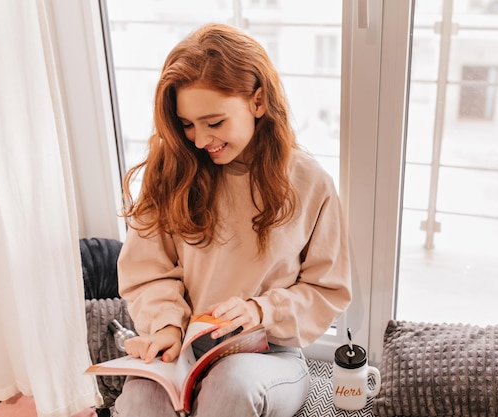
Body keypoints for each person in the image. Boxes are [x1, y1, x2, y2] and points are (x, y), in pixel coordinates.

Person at [114, 23, 352, 417]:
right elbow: (148, 272)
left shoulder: (310, 183)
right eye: (187, 124)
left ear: (258, 101)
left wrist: (262, 310)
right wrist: (166, 327)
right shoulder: (172, 171)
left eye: (214, 122)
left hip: (269, 355)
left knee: (231, 386)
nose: (199, 140)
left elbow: (328, 290)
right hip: (185, 346)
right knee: (141, 397)